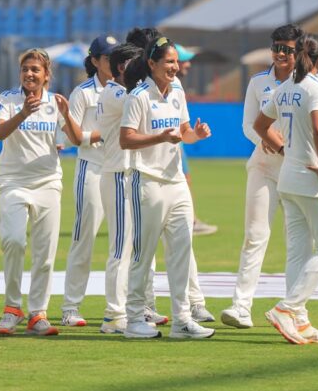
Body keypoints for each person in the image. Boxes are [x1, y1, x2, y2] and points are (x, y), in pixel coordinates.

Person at [120, 36, 215, 339]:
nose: (174, 67)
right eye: (168, 62)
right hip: (146, 181)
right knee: (142, 254)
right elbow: (126, 139)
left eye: (176, 61)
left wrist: (196, 135)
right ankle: (134, 318)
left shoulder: (177, 91)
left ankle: (182, 320)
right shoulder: (138, 96)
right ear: (152, 64)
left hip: (176, 183)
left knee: (181, 252)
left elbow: (183, 132)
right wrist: (160, 137)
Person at [254, 33, 318, 345]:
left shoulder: (286, 87)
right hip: (312, 181)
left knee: (298, 252)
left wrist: (284, 151)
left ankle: (300, 320)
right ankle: (287, 308)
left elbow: (260, 125)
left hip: (289, 179)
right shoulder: (315, 87)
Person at [0, 48, 82, 336]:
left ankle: (38, 313)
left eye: (36, 69)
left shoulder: (55, 103)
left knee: (45, 253)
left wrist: (67, 116)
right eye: (25, 69)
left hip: (47, 183)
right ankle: (12, 308)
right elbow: (0, 133)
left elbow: (76, 140)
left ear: (46, 75)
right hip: (13, 182)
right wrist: (22, 112)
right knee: (14, 241)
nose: (30, 74)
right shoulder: (7, 99)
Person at [221, 24, 304, 329]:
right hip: (264, 167)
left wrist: (292, 147)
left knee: (297, 243)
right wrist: (268, 141)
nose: (281, 54)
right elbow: (248, 125)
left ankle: (295, 310)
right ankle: (241, 306)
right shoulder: (258, 82)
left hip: (296, 171)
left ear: (300, 52)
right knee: (255, 236)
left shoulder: (310, 83)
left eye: (288, 49)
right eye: (277, 47)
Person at [61, 34, 117, 327]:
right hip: (92, 168)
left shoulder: (127, 89)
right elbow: (72, 137)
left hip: (120, 170)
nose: (114, 62)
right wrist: (102, 134)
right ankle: (71, 307)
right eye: (108, 57)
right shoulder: (83, 92)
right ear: (95, 61)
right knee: (84, 239)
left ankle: (130, 307)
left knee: (127, 242)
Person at [94, 42, 143, 334]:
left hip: (127, 173)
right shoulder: (115, 94)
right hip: (116, 174)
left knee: (132, 246)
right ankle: (113, 314)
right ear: (124, 67)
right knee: (120, 247)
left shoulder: (119, 93)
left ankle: (132, 307)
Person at [173, 43, 218, 236]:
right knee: (184, 177)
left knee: (184, 177)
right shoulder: (170, 84)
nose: (187, 65)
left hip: (177, 139)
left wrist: (195, 134)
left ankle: (188, 219)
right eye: (183, 60)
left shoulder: (175, 85)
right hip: (169, 142)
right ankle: (188, 220)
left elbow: (185, 129)